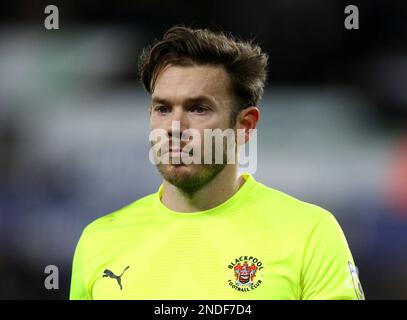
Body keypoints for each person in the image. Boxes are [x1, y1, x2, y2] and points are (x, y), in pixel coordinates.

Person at [69, 26, 364, 300]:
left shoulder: (310, 233)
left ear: (244, 125)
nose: (175, 126)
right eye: (162, 108)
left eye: (198, 109)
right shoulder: (99, 240)